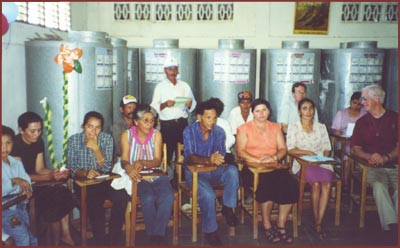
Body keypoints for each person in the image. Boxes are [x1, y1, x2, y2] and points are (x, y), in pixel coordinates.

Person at [109, 104, 174, 246]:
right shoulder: (126, 135)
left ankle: (158, 234)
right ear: (136, 122)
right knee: (148, 197)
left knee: (168, 196)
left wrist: (144, 162)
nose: (150, 124)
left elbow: (157, 161)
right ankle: (153, 234)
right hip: (137, 177)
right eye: (146, 120)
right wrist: (129, 168)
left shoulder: (157, 135)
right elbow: (124, 159)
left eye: (152, 121)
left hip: (156, 174)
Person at [236, 99, 298, 244]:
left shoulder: (276, 127)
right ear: (252, 113)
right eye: (257, 111)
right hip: (252, 168)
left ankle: (281, 224)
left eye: (264, 110)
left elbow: (283, 149)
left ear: (269, 111)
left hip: (273, 165)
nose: (261, 113)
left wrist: (274, 157)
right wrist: (258, 160)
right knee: (267, 184)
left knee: (289, 184)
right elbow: (240, 151)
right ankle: (267, 224)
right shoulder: (244, 128)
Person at [10, 112, 75, 246]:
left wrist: (56, 172)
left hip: (36, 182)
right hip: (22, 187)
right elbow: (22, 175)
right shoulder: (15, 144)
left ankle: (64, 235)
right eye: (32, 131)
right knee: (54, 198)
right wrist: (49, 176)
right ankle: (57, 240)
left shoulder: (38, 141)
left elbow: (40, 168)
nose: (37, 134)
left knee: (63, 192)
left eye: (39, 130)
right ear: (21, 130)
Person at [183, 99, 239, 246]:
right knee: (208, 195)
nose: (212, 121)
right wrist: (208, 160)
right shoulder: (189, 131)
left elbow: (219, 156)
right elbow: (189, 157)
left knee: (232, 171)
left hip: (213, 171)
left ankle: (227, 207)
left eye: (214, 118)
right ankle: (210, 232)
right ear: (199, 117)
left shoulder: (219, 132)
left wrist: (215, 160)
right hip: (195, 173)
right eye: (208, 117)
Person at [351, 84, 398, 240]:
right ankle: (391, 226)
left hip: (394, 165)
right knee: (379, 186)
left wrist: (386, 157)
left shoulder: (396, 118)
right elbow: (355, 148)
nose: (362, 102)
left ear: (376, 99)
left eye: (364, 98)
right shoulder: (361, 122)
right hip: (370, 167)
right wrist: (369, 156)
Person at [286, 98, 332, 240]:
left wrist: (322, 158)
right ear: (299, 111)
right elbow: (291, 150)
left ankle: (319, 222)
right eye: (304, 108)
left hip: (321, 163)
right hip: (303, 163)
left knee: (327, 184)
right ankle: (317, 221)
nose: (308, 111)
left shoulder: (321, 127)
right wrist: (307, 153)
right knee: (316, 185)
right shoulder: (293, 127)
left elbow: (327, 148)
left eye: (311, 108)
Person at [67, 111, 114, 246]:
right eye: (90, 126)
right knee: (95, 201)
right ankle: (101, 241)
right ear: (83, 126)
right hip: (83, 183)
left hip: (103, 181)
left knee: (121, 196)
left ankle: (113, 238)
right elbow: (71, 167)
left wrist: (96, 149)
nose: (93, 131)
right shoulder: (74, 140)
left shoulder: (107, 139)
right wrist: (85, 173)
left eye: (97, 127)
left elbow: (106, 168)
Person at [150, 57, 197, 179]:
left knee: (184, 152)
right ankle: (168, 180)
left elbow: (193, 102)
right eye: (170, 69)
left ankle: (183, 179)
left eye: (175, 68)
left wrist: (189, 104)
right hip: (167, 125)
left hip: (182, 123)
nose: (173, 71)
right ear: (165, 71)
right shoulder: (160, 87)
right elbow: (154, 106)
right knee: (167, 153)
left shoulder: (184, 85)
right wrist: (165, 104)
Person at [2, 125, 38, 246]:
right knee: (23, 237)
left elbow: (26, 180)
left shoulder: (16, 162)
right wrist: (13, 181)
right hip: (5, 209)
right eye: (0, 143)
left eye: (8, 143)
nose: (4, 148)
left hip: (20, 205)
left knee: (32, 239)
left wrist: (27, 190)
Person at [331, 91, 366, 188]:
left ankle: (361, 183)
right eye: (354, 103)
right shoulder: (341, 113)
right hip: (346, 142)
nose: (356, 106)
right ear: (350, 101)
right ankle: (346, 183)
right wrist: (336, 132)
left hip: (360, 142)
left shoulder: (365, 114)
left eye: (359, 104)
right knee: (348, 153)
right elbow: (334, 129)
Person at [208, 97, 235, 163]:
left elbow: (231, 139)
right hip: (206, 154)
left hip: (223, 154)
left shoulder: (224, 123)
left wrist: (220, 149)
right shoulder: (200, 122)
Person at [111, 95, 138, 160]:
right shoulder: (117, 126)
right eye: (129, 107)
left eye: (134, 108)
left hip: (138, 157)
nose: (132, 110)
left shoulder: (139, 124)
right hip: (122, 159)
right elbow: (119, 150)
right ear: (121, 109)